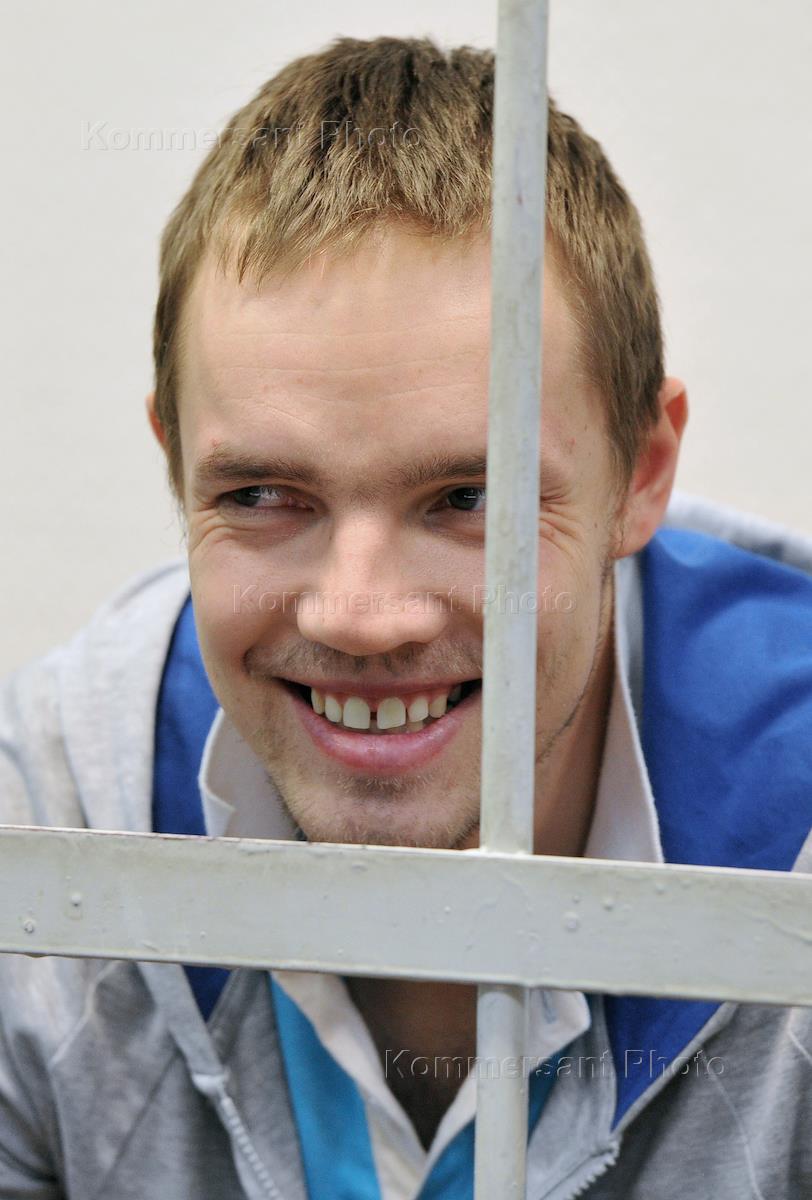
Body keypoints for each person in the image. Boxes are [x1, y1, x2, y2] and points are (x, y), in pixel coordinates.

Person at [1, 33, 810, 1200]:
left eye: (468, 497)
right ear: (174, 464)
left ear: (640, 473)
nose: (360, 615)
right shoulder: (52, 821)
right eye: (261, 495)